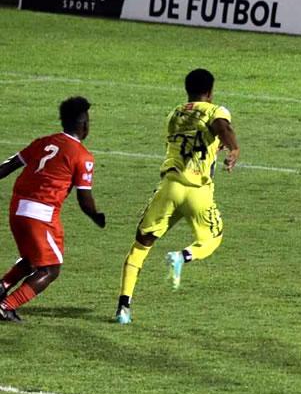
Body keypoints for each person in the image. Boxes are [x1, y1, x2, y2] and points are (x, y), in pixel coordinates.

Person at [115, 68, 240, 325]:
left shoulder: (173, 114)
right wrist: (233, 147)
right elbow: (222, 127)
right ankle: (183, 256)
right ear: (210, 92)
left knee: (141, 246)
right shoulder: (215, 110)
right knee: (212, 238)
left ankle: (123, 309)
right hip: (198, 191)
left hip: (169, 187)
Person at [0, 97, 105, 322]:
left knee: (31, 258)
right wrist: (96, 216)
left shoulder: (44, 142)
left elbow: (9, 165)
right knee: (50, 269)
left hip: (17, 209)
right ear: (84, 125)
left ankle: (2, 286)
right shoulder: (82, 156)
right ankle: (6, 306)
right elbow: (84, 199)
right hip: (41, 214)